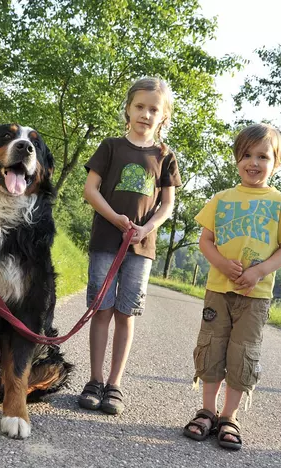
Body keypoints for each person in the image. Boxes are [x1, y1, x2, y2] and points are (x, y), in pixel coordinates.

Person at [183, 123, 281, 449]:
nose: (253, 162)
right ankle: (207, 411)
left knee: (242, 354)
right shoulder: (221, 199)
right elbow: (205, 240)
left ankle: (229, 416)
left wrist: (260, 271)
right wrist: (221, 263)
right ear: (237, 159)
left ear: (276, 162)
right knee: (212, 347)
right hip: (218, 290)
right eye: (246, 155)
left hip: (255, 296)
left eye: (263, 156)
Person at [78, 77, 182, 415]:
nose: (146, 114)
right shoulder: (109, 147)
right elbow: (90, 190)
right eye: (140, 107)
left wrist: (146, 227)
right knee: (101, 309)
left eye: (154, 110)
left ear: (163, 117)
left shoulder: (166, 157)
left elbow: (167, 203)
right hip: (107, 241)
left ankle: (114, 384)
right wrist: (116, 219)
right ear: (128, 109)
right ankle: (94, 380)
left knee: (126, 313)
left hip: (141, 247)